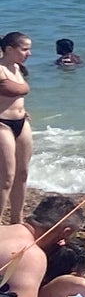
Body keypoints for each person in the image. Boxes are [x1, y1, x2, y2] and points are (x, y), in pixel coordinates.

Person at [0, 31, 30, 226]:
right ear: (9, 49)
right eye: (25, 49)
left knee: (23, 173)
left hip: (21, 122)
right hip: (2, 123)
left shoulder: (18, 68)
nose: (29, 53)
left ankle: (17, 221)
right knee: (7, 177)